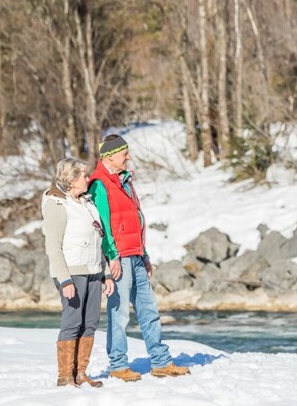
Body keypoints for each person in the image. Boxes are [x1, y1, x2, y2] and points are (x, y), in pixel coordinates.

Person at [89, 133, 190, 381]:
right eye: (124, 154)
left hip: (135, 254)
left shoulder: (125, 180)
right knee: (119, 314)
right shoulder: (100, 184)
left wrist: (144, 254)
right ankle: (118, 364)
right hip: (119, 258)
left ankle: (161, 362)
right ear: (110, 156)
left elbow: (136, 219)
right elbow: (103, 225)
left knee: (149, 310)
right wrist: (112, 256)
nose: (129, 158)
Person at [42, 158, 115, 387]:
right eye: (84, 176)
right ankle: (65, 376)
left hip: (93, 270)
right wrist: (65, 280)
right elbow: (53, 246)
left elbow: (97, 239)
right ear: (72, 179)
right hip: (71, 272)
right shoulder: (57, 204)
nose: (88, 179)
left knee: (90, 322)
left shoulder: (87, 203)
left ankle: (80, 373)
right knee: (73, 321)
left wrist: (106, 274)